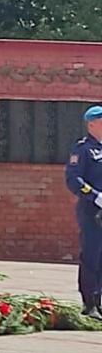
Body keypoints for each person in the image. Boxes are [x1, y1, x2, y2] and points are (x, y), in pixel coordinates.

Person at [64, 104, 102, 319]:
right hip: (91, 211)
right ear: (92, 123)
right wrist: (95, 195)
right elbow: (74, 179)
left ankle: (99, 300)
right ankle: (89, 303)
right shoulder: (83, 149)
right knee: (91, 256)